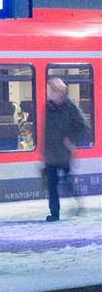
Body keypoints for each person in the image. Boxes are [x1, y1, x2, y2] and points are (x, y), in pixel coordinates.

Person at [44, 77, 90, 221]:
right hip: (51, 154)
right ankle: (54, 214)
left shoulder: (71, 108)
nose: (49, 94)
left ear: (59, 92)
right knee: (52, 185)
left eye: (51, 91)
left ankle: (78, 203)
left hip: (64, 153)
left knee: (67, 182)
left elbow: (83, 125)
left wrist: (70, 139)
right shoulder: (47, 108)